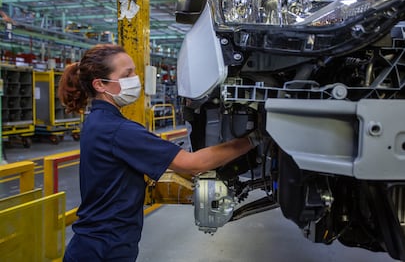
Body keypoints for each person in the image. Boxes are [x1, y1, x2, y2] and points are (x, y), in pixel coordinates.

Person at [58, 43, 260, 261]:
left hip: (97, 243)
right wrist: (253, 139)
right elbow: (192, 164)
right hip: (103, 249)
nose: (136, 79)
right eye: (127, 74)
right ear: (100, 84)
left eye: (134, 71)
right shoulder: (118, 130)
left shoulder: (98, 120)